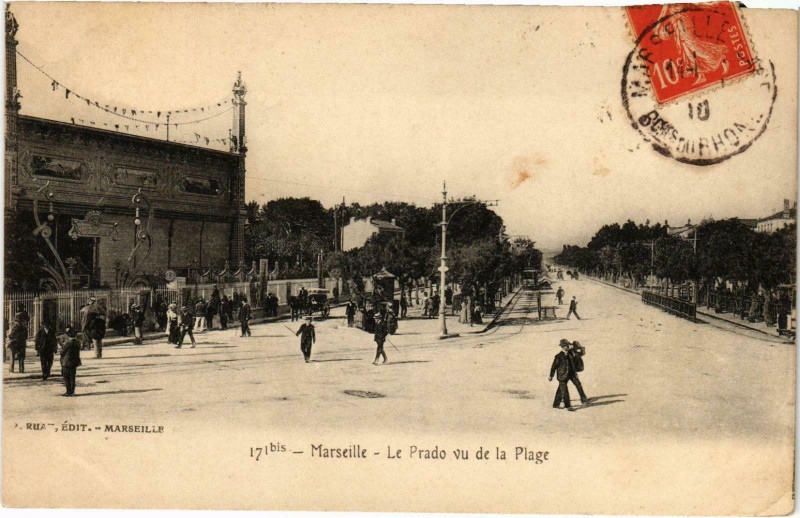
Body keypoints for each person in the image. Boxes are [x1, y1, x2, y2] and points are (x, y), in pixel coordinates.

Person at [549, 339, 575, 410]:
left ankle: (555, 404)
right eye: (566, 346)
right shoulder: (558, 356)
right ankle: (568, 406)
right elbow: (554, 366)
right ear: (563, 347)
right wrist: (551, 376)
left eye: (568, 345)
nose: (567, 347)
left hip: (569, 375)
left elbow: (572, 364)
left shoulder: (570, 354)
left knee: (560, 390)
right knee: (565, 390)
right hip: (562, 376)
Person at [59, 329, 82, 396]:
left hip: (66, 362)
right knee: (72, 377)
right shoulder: (78, 342)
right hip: (74, 362)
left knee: (66, 377)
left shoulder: (68, 343)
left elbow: (62, 352)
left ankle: (68, 391)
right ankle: (72, 391)